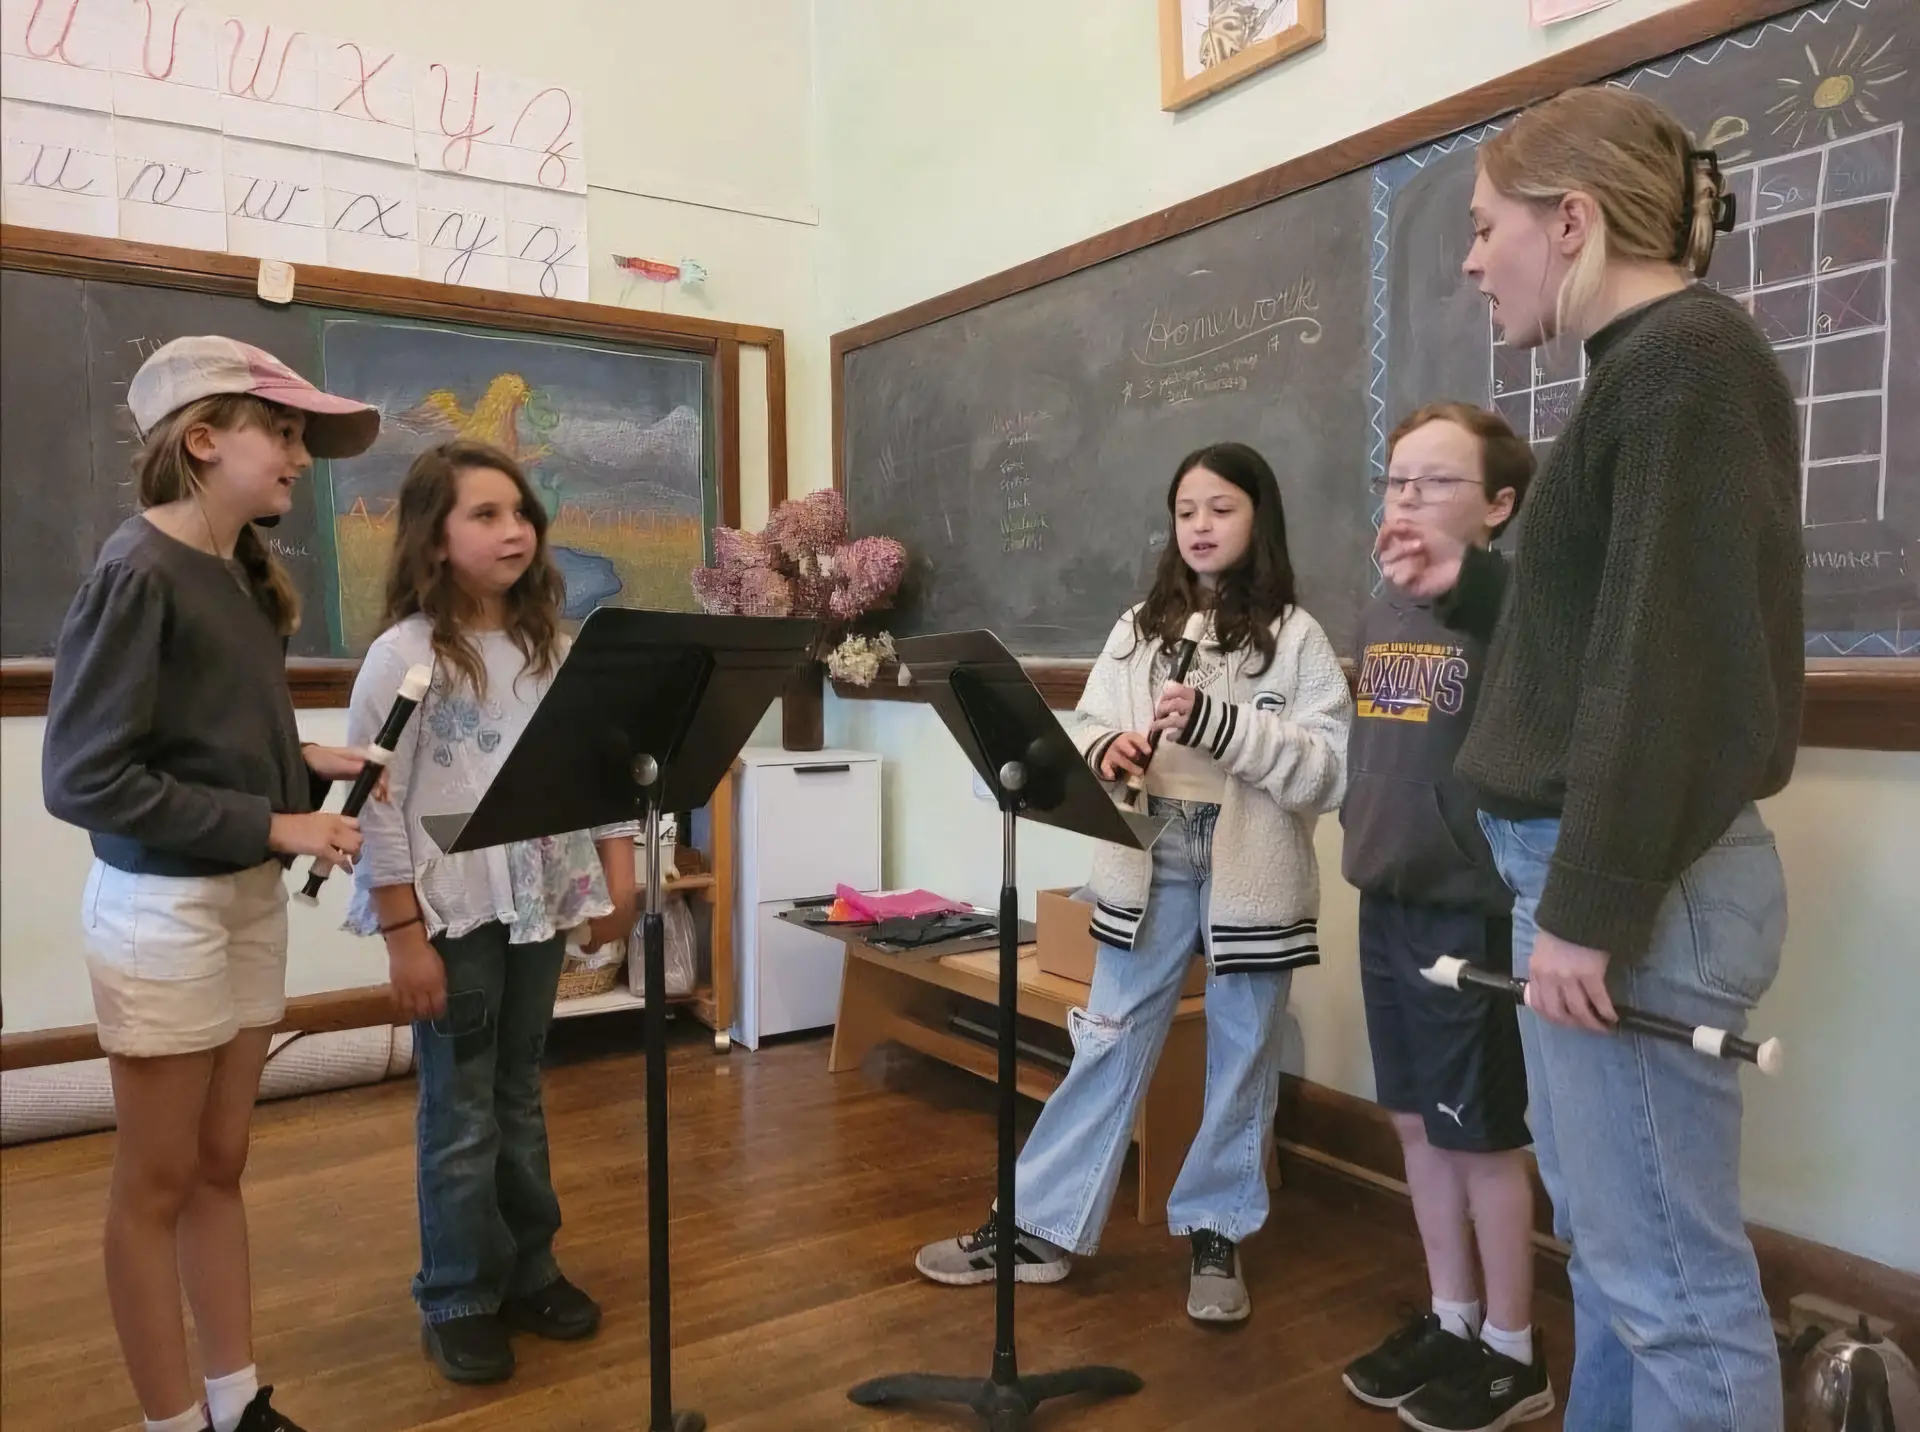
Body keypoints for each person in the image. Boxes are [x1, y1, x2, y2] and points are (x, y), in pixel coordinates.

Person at [1377, 87, 1802, 1432]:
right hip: (1603, 881)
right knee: (1623, 1274)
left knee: (1670, 1288)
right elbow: (1606, 630)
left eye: (1486, 225)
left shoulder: (1683, 361)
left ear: (1570, 223)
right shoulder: (1649, 369)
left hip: (1630, 889)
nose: (1468, 257)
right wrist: (1480, 583)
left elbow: (1666, 668)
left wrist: (1590, 909)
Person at [914, 441, 1351, 1323]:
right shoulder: (1138, 628)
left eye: (1220, 509)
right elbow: (1086, 729)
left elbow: (1328, 773)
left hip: (1251, 871)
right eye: (1186, 510)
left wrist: (1225, 726)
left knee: (1242, 1055)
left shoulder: (1299, 637)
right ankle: (1037, 1223)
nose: (1200, 526)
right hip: (1149, 855)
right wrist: (1108, 751)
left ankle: (1217, 1229)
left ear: (1257, 518)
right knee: (1107, 1040)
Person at [42, 336, 382, 1432]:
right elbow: (87, 776)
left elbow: (206, 731)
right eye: (279, 432)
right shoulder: (136, 571)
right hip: (162, 911)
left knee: (219, 1161)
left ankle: (235, 1403)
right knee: (155, 1182)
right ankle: (170, 1419)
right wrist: (278, 819)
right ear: (201, 441)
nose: (299, 457)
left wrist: (304, 763)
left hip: (237, 896)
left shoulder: (237, 570)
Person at [346, 439, 637, 1386]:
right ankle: (460, 1292)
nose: (514, 529)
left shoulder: (555, 645)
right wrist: (402, 935)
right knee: (462, 1108)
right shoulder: (403, 656)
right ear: (434, 539)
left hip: (536, 904)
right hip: (454, 915)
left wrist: (618, 877)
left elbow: (593, 767)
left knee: (518, 1092)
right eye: (485, 514)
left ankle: (529, 1268)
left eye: (521, 512)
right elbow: (374, 805)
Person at [1339, 405, 1551, 1432]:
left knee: (1482, 1138)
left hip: (1470, 912)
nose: (1408, 501)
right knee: (1417, 1123)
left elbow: (1522, 615)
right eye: (1396, 482)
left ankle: (1514, 1347)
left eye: (1436, 483)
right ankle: (1453, 1314)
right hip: (1387, 898)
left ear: (1500, 508)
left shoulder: (1511, 607)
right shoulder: (1380, 612)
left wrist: (1464, 582)